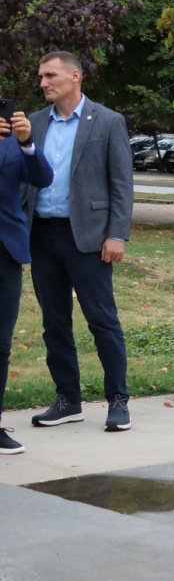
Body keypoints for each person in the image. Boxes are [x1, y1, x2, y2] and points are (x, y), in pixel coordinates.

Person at [23, 52, 135, 432]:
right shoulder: (35, 123)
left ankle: (118, 400)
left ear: (75, 76)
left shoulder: (107, 121)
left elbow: (121, 183)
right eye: (41, 77)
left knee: (102, 322)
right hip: (42, 236)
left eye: (50, 75)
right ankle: (68, 400)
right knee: (54, 323)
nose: (43, 83)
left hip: (88, 238)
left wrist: (116, 234)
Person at [0, 104, 54, 453]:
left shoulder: (12, 140)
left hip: (6, 250)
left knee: (1, 344)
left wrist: (27, 144)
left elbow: (42, 178)